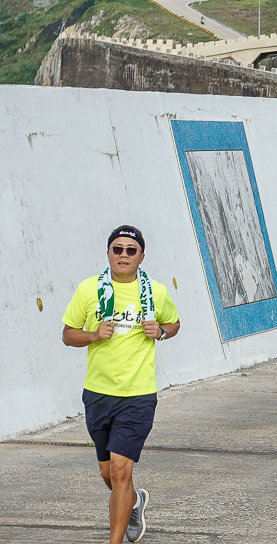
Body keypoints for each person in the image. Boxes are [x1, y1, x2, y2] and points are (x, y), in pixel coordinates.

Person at [62, 225, 181, 544]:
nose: (124, 255)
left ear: (142, 256)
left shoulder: (156, 292)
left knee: (119, 470)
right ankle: (134, 502)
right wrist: (93, 334)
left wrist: (162, 332)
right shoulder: (89, 290)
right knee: (108, 474)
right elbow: (68, 334)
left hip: (138, 397)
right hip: (99, 395)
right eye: (118, 249)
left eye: (131, 250)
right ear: (108, 253)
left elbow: (174, 322)